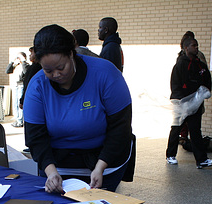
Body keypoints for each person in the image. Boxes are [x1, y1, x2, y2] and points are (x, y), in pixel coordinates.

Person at [24, 24, 134, 193]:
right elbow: (35, 137)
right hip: (57, 165)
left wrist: (100, 167)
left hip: (104, 162)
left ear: (71, 53)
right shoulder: (38, 85)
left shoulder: (105, 74)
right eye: (48, 70)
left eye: (61, 68)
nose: (56, 75)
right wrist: (51, 172)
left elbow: (120, 128)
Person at [166, 36, 212, 169]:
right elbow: (175, 85)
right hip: (182, 104)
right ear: (186, 47)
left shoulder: (200, 65)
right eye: (194, 45)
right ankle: (170, 155)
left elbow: (206, 81)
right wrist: (181, 100)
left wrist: (202, 95)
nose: (196, 48)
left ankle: (201, 160)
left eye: (197, 46)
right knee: (176, 128)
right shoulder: (180, 65)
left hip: (196, 104)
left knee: (195, 131)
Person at [6, 52, 29, 127]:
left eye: (20, 57)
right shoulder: (16, 65)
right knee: (15, 103)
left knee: (20, 103)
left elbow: (26, 72)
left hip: (21, 85)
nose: (18, 59)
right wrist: (12, 62)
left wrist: (23, 61)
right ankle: (16, 119)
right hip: (15, 85)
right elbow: (8, 71)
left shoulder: (25, 65)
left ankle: (20, 120)